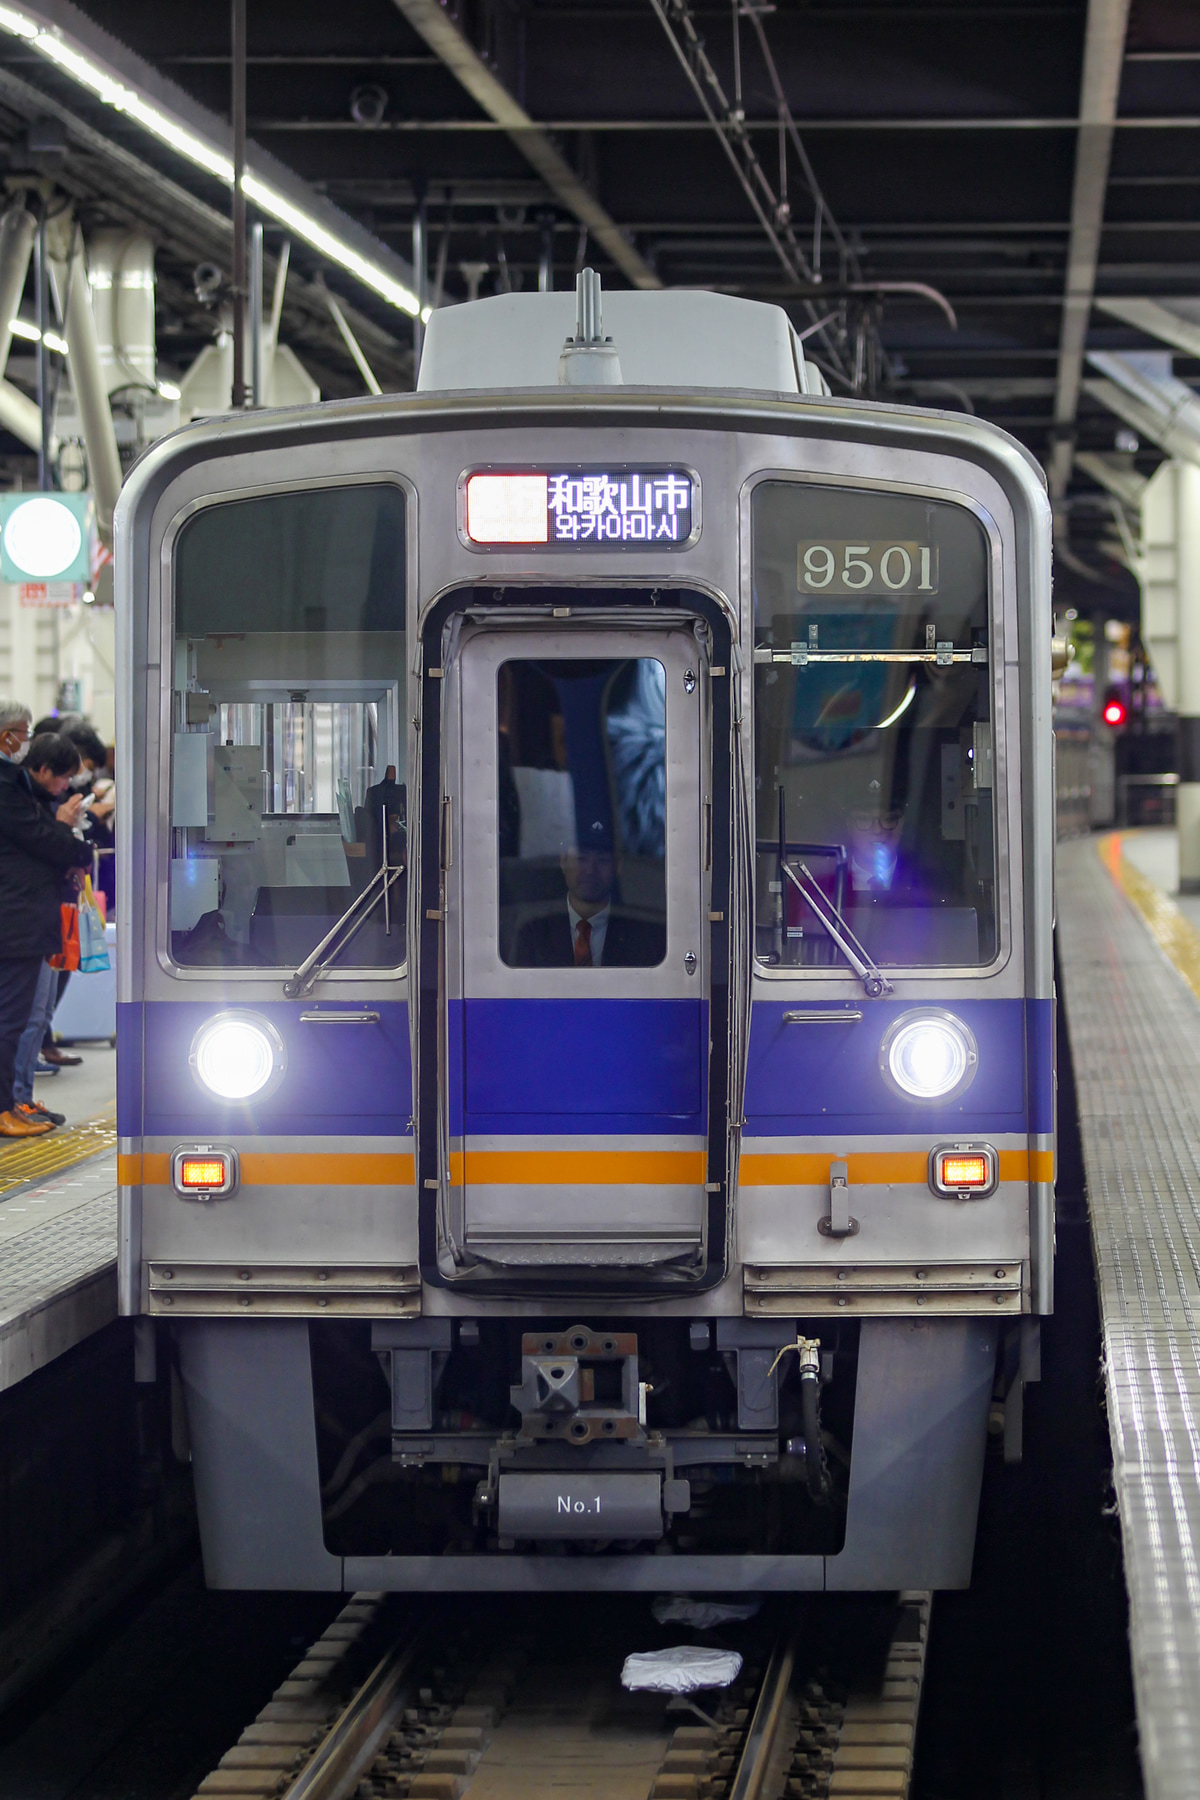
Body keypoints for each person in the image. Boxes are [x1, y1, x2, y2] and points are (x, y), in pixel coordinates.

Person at [0, 711, 93, 1136]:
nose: (25, 740)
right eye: (21, 732)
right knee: (12, 1021)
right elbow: (46, 842)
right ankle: (6, 1107)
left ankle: (13, 1101)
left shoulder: (17, 787)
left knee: (23, 1019)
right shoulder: (9, 790)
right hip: (17, 924)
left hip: (24, 923)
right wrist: (67, 834)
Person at [512, 824, 666, 968]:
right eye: (581, 858)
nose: (591, 870)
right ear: (563, 861)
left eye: (602, 859)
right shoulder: (534, 932)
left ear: (617, 866)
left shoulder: (645, 935)